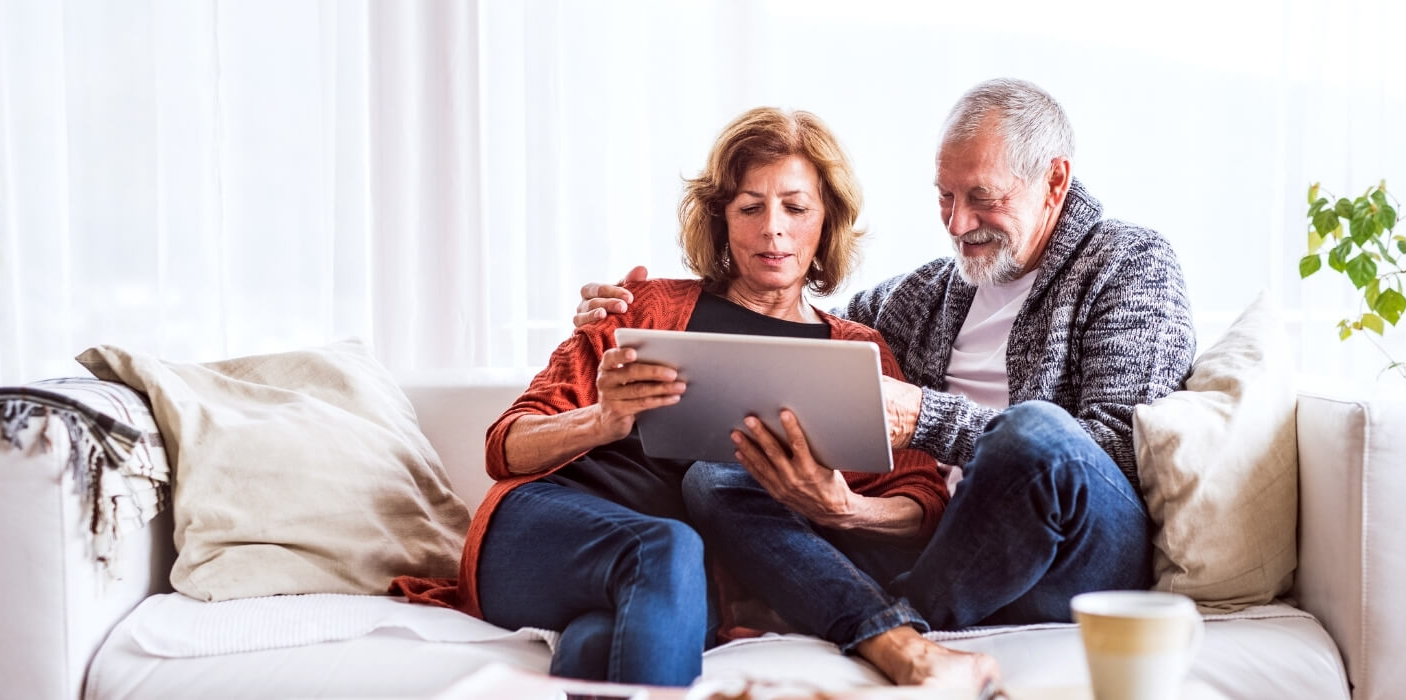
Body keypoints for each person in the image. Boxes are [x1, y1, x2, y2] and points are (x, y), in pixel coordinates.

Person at [393, 106, 993, 688]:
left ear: (826, 219)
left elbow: (921, 506)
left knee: (600, 643)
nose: (772, 228)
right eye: (750, 207)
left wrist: (843, 509)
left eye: (795, 207)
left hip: (679, 581)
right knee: (665, 547)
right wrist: (602, 420)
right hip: (546, 529)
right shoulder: (647, 306)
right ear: (722, 221)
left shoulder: (857, 349)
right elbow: (505, 447)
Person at [574, 78, 1197, 632]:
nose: (957, 224)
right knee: (724, 477)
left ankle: (883, 624)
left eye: (981, 197)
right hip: (931, 545)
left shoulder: (1128, 265)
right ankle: (864, 616)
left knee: (1034, 433)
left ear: (1054, 181)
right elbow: (794, 327)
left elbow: (1112, 454)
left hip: (1076, 556)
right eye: (944, 197)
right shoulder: (917, 297)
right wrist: (630, 310)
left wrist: (927, 416)